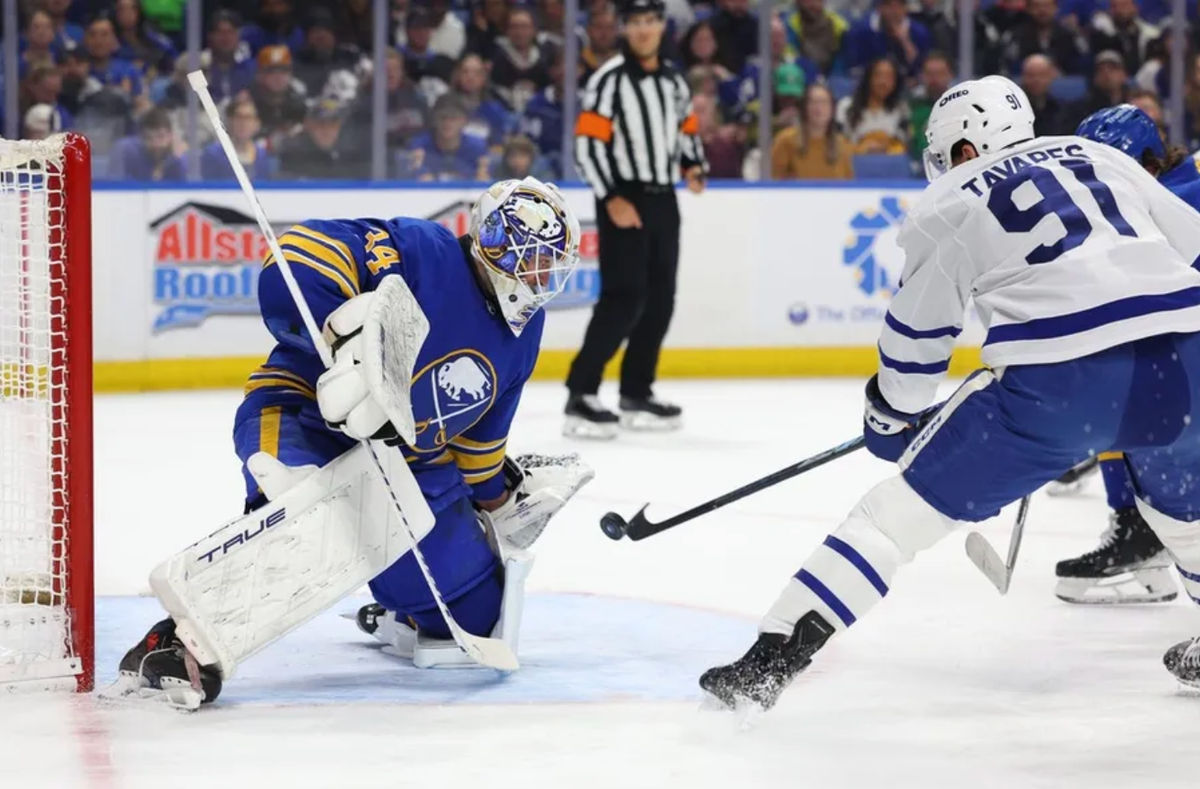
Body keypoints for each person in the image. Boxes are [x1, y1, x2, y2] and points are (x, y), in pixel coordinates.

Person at [700, 76, 1200, 711]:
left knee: (891, 519)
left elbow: (916, 344)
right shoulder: (1100, 157)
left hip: (1057, 387)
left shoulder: (951, 199)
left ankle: (765, 667)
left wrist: (890, 418)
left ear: (966, 148)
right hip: (1188, 363)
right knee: (1185, 513)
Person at [113, 177, 590, 706]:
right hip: (309, 416)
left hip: (410, 464)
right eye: (536, 259)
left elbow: (477, 442)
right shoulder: (420, 252)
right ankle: (177, 643)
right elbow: (296, 258)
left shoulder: (525, 331)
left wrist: (505, 502)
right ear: (497, 245)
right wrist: (346, 345)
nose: (544, 276)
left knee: (475, 612)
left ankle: (392, 600)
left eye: (552, 264)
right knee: (301, 518)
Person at [1054, 103, 1199, 604]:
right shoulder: (1157, 189)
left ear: (1145, 161)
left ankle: (1142, 529)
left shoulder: (1172, 197)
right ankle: (1141, 529)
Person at [567, 0, 707, 438]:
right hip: (623, 197)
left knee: (661, 298)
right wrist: (610, 197)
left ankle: (636, 390)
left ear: (662, 26)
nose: (645, 30)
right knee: (624, 298)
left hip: (664, 199)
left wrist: (693, 164)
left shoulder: (673, 81)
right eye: (636, 22)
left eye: (652, 21)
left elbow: (686, 129)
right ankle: (581, 393)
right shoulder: (608, 81)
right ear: (625, 28)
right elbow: (587, 146)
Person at [770, 82, 853, 179]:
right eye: (813, 102)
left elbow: (850, 186)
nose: (819, 108)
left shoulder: (843, 144)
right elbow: (772, 182)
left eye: (824, 102)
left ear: (832, 109)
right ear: (804, 107)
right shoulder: (785, 140)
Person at [401, 94, 491, 181]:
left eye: (453, 117)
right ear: (434, 119)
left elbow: (484, 180)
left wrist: (482, 174)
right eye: (443, 117)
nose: (447, 123)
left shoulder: (477, 148)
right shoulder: (420, 145)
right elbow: (413, 178)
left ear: (465, 121)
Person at [277, 98, 369, 180]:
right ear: (309, 126)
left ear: (339, 126)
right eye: (320, 124)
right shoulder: (293, 154)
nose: (326, 130)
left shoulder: (352, 153)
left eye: (332, 124)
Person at [836, 57, 909, 155]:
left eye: (889, 77)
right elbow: (837, 143)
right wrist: (861, 147)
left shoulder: (901, 110)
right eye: (878, 75)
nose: (883, 82)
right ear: (869, 78)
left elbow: (903, 147)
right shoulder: (846, 106)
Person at [844, 0, 931, 76]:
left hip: (909, 84)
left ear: (906, 8)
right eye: (888, 5)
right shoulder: (860, 31)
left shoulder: (919, 32)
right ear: (879, 8)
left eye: (899, 5)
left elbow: (922, 67)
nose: (894, 11)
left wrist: (905, 41)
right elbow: (854, 67)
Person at [1001, 0, 1086, 75]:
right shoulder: (1015, 35)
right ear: (1028, 9)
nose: (1042, 10)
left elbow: (1080, 64)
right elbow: (1010, 65)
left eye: (1047, 5)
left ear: (1056, 8)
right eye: (1036, 6)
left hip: (1063, 84)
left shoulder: (1069, 35)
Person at [201, 98, 275, 182]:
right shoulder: (213, 154)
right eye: (238, 117)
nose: (243, 123)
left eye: (248, 117)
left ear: (257, 123)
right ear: (230, 121)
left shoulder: (263, 155)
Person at [107, 107, 185, 181]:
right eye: (148, 138)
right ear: (141, 138)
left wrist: (169, 163)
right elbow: (116, 187)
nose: (156, 144)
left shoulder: (178, 159)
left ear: (170, 136)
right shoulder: (126, 151)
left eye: (161, 137)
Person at [251, 45, 308, 143]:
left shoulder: (299, 101)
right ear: (259, 74)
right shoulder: (249, 102)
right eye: (271, 71)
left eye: (284, 70)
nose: (278, 77)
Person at [1089, 0, 1159, 74]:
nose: (1120, 10)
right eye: (1114, 6)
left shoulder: (1150, 33)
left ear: (1135, 8)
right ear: (1110, 10)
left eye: (1124, 5)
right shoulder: (1102, 32)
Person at [781, 0, 848, 77]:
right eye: (807, 1)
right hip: (799, 78)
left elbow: (842, 63)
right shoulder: (789, 25)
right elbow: (790, 59)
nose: (812, 4)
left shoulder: (839, 25)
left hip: (832, 78)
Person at [907, 51, 953, 160]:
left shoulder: (960, 105)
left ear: (950, 75)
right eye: (929, 73)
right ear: (922, 76)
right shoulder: (911, 105)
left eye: (939, 73)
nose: (934, 78)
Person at [1064, 49, 1130, 126]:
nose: (1106, 74)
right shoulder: (1080, 110)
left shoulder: (1134, 104)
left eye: (1112, 69)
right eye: (1100, 70)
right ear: (1095, 78)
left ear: (1124, 75)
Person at [202, 10, 256, 104]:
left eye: (231, 32)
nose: (226, 38)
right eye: (220, 32)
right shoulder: (199, 65)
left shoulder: (250, 68)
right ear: (210, 36)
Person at [1021, 53, 1072, 136]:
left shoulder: (1062, 109)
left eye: (1042, 75)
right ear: (1023, 77)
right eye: (1031, 75)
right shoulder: (1016, 109)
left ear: (1051, 76)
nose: (1036, 80)